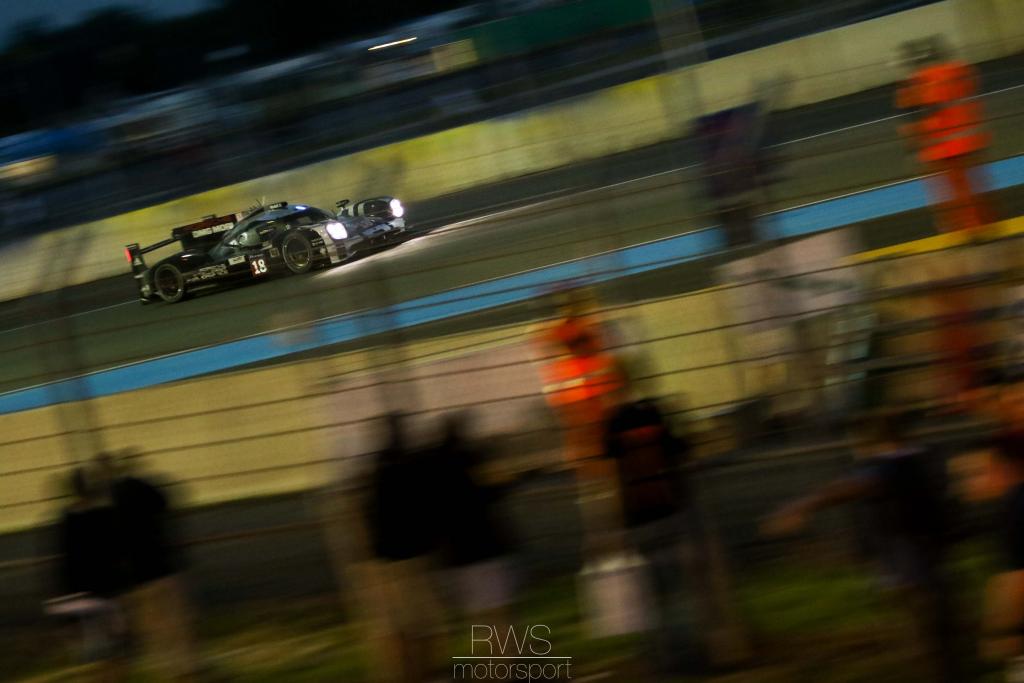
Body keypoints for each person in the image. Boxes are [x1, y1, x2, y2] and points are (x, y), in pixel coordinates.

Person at [764, 411, 962, 682]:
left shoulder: (889, 467)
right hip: (932, 562)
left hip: (911, 571)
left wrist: (802, 506)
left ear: (866, 441)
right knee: (940, 640)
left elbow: (852, 487)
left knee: (927, 646)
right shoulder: (924, 458)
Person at [95, 451, 201, 681]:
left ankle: (171, 669)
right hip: (164, 565)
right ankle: (187, 667)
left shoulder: (109, 503)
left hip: (138, 576)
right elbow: (168, 508)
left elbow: (109, 544)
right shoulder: (147, 488)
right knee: (177, 620)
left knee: (153, 626)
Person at [364, 413, 447, 683]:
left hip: (387, 558)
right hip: (414, 555)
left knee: (400, 626)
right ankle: (426, 672)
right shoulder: (411, 465)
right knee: (424, 622)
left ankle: (408, 673)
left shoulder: (377, 469)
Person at [433, 412, 518, 628]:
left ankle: (491, 648)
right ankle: (506, 648)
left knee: (479, 611)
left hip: (459, 551)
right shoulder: (471, 461)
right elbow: (493, 492)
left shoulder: (436, 471)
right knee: (499, 607)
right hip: (486, 545)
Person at [50, 467, 129, 682]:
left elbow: (64, 561)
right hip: (105, 590)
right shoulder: (103, 516)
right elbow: (116, 551)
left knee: (92, 650)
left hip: (80, 595)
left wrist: (63, 595)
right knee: (113, 646)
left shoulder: (67, 520)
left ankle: (101, 675)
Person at [957, 431, 1024, 676]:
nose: (964, 485)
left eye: (975, 474)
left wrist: (998, 634)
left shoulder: (1015, 507)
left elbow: (1017, 577)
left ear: (1007, 469)